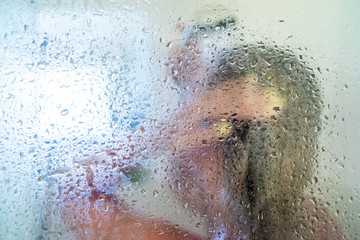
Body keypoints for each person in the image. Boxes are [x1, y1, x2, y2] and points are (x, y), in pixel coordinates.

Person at [50, 19, 341, 240]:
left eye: (231, 131)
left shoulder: (311, 222)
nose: (191, 146)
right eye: (207, 121)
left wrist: (170, 125)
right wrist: (187, 107)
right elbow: (69, 187)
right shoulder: (292, 213)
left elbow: (72, 189)